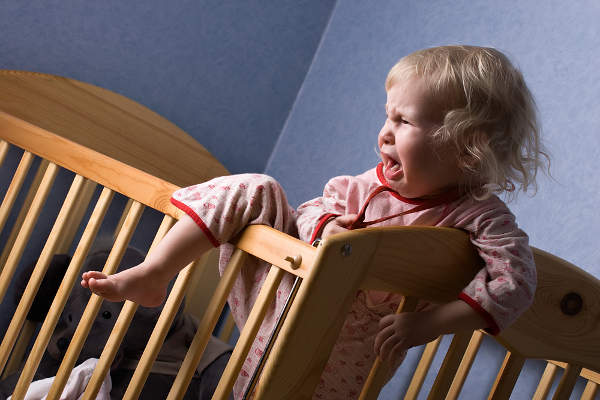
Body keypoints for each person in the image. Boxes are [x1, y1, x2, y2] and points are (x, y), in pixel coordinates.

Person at [82, 45, 548, 399]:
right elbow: (311, 207)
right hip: (278, 302)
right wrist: (326, 229)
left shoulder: (479, 217)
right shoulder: (368, 184)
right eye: (387, 116)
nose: (385, 133)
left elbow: (517, 280)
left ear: (467, 147)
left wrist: (435, 323)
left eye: (404, 121)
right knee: (255, 188)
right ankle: (155, 273)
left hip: (344, 357)